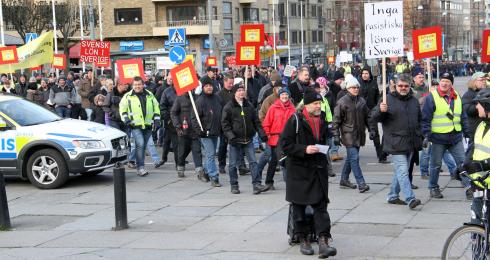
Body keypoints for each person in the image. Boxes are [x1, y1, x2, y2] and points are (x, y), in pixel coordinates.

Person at [280, 90, 337, 258]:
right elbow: (285, 144)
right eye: (315, 104)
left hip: (318, 169)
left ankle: (323, 241)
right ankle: (303, 238)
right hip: (298, 170)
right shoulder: (295, 120)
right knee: (299, 206)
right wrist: (304, 149)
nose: (318, 106)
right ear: (306, 105)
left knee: (321, 205)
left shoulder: (322, 120)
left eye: (319, 103)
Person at [369, 74, 422, 209]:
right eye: (400, 86)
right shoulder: (387, 100)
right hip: (395, 142)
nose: (403, 88)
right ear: (395, 86)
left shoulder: (414, 101)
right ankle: (410, 198)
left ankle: (393, 195)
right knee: (403, 171)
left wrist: (421, 135)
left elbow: (419, 120)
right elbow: (374, 117)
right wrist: (381, 111)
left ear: (410, 86)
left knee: (400, 172)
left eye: (406, 86)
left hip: (410, 142)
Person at [422, 72, 471, 199]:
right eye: (442, 80)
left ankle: (469, 187)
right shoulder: (431, 97)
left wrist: (467, 133)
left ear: (451, 84)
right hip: (438, 138)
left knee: (463, 163)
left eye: (447, 81)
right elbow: (426, 119)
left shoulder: (457, 96)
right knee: (435, 165)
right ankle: (433, 187)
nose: (444, 83)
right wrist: (426, 135)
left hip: (455, 137)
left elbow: (463, 116)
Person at [221, 83, 269, 194]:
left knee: (253, 162)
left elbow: (256, 122)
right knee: (232, 164)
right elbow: (225, 124)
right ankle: (234, 185)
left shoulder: (249, 105)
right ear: (234, 93)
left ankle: (256, 184)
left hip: (248, 139)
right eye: (238, 90)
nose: (241, 92)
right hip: (235, 140)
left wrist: (262, 134)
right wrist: (231, 137)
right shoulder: (229, 107)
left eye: (242, 90)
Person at [333, 76, 370, 193]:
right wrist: (335, 135)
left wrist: (372, 129)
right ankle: (361, 183)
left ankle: (344, 179)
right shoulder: (342, 102)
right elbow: (336, 120)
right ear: (348, 88)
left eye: (357, 87)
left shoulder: (362, 101)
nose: (356, 89)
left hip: (359, 133)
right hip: (348, 134)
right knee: (354, 158)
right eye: (353, 87)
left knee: (350, 158)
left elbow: (368, 117)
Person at [119, 76, 161, 177]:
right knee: (140, 144)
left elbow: (156, 107)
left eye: (139, 84)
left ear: (143, 85)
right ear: (132, 85)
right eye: (135, 85)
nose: (137, 86)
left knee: (142, 147)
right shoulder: (127, 96)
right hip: (135, 125)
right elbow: (122, 109)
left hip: (147, 124)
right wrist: (126, 120)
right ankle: (140, 168)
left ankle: (138, 165)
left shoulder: (149, 94)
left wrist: (157, 119)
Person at [262, 87, 296, 190]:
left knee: (289, 160)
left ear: (289, 96)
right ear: (279, 96)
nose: (284, 96)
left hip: (288, 138)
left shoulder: (293, 109)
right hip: (275, 138)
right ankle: (269, 182)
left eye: (286, 95)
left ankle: (290, 181)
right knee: (274, 161)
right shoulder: (273, 108)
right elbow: (267, 122)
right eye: (282, 95)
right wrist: (267, 135)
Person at [192, 77, 222, 186]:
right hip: (205, 133)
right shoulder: (200, 101)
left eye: (210, 85)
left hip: (216, 131)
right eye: (207, 86)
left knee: (211, 154)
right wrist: (200, 131)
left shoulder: (217, 98)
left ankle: (204, 171)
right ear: (203, 87)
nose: (209, 87)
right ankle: (214, 177)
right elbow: (194, 118)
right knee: (210, 154)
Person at [171, 91, 204, 179]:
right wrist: (178, 126)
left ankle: (199, 171)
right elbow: (173, 113)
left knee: (197, 151)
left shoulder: (198, 98)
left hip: (195, 131)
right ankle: (180, 168)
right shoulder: (179, 98)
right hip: (183, 131)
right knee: (182, 152)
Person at [358, 67, 387, 163]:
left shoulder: (373, 83)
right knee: (358, 134)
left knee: (375, 135)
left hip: (371, 113)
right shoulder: (358, 84)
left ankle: (381, 156)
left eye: (366, 73)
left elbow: (377, 97)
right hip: (360, 113)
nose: (365, 75)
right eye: (363, 73)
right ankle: (354, 155)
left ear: (369, 74)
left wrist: (377, 107)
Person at [462, 72, 487, 157]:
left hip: (485, 126)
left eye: (485, 80)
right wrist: (480, 105)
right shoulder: (468, 95)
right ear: (474, 82)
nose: (484, 82)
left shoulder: (486, 92)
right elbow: (468, 110)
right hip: (474, 128)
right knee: (473, 151)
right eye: (481, 80)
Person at [159, 75, 179, 168]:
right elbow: (162, 106)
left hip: (183, 120)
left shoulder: (186, 91)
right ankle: (176, 162)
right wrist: (167, 119)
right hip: (170, 121)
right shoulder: (167, 92)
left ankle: (179, 160)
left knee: (181, 142)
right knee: (171, 141)